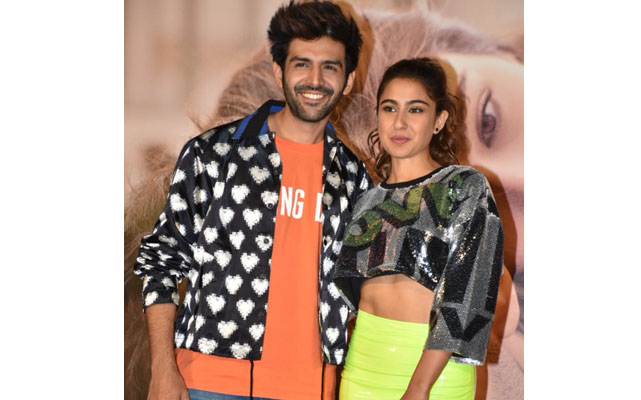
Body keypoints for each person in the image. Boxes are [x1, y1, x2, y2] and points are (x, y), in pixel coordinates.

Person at [133, 1, 371, 399]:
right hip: (209, 384)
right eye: (302, 64)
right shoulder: (214, 154)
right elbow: (162, 261)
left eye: (330, 67)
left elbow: (365, 289)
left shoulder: (352, 177)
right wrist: (162, 368)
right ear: (279, 71)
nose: (315, 79)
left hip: (309, 390)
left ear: (348, 80)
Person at [333, 58, 504, 399]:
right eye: (389, 108)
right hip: (362, 367)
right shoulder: (364, 199)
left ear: (439, 120)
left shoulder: (464, 186)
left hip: (435, 376)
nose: (399, 122)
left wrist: (419, 387)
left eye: (415, 110)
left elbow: (467, 295)